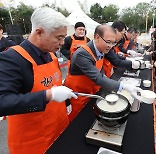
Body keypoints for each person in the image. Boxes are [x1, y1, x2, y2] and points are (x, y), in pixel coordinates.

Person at [0, 7, 77, 154]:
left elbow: (56, 83)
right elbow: (2, 102)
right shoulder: (12, 59)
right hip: (33, 141)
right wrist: (48, 95)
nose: (62, 42)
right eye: (58, 37)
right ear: (39, 32)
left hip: (59, 129)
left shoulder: (52, 55)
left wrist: (66, 102)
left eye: (64, 37)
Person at [64, 24, 142, 121]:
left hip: (93, 91)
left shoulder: (104, 48)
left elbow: (115, 61)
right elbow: (98, 78)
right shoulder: (82, 54)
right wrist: (124, 86)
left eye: (113, 43)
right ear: (97, 37)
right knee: (78, 122)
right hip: (79, 95)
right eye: (108, 42)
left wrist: (132, 64)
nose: (110, 46)